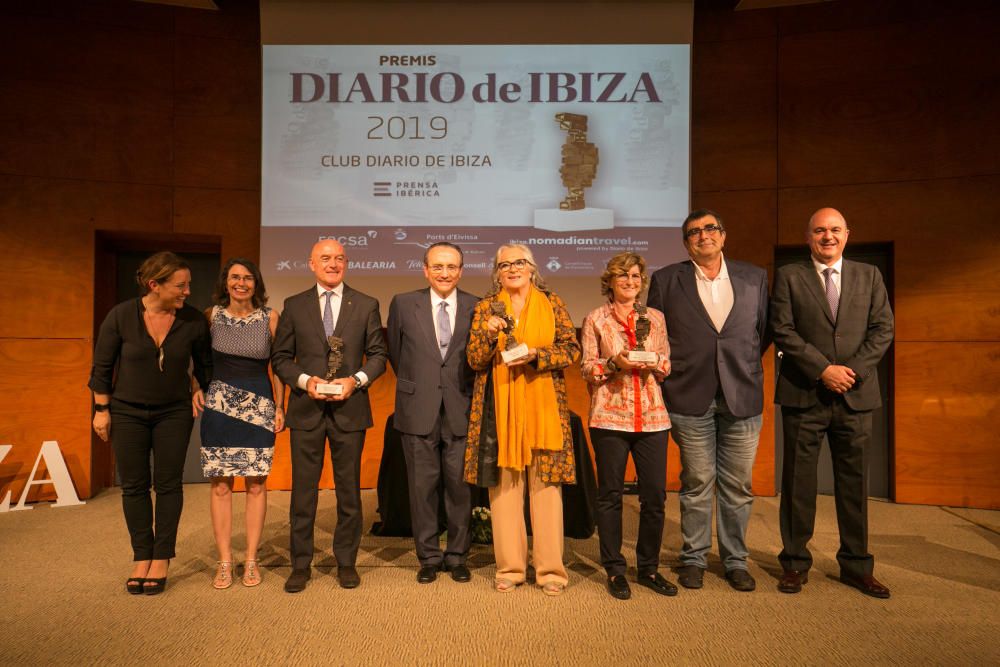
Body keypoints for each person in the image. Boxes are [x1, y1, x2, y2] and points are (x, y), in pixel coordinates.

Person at [771, 207, 894, 598]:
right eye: (820, 230)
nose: (828, 236)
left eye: (835, 230)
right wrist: (823, 369)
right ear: (808, 237)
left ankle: (857, 566)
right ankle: (793, 563)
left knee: (854, 485)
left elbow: (883, 328)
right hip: (804, 393)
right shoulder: (790, 276)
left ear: (847, 234)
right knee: (797, 483)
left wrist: (849, 371)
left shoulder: (869, 275)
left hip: (855, 396)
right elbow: (782, 330)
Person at [646, 209, 769, 593]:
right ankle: (694, 558)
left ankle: (735, 561)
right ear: (686, 243)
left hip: (741, 394)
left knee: (738, 485)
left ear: (723, 236)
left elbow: (761, 332)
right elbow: (655, 337)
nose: (703, 236)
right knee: (696, 482)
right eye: (694, 232)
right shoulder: (666, 280)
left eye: (710, 229)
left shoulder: (754, 278)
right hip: (688, 394)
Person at [89, 251, 212, 595]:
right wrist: (101, 409)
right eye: (180, 285)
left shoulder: (192, 321)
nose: (187, 291)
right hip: (127, 411)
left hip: (173, 412)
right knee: (134, 485)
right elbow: (101, 368)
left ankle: (162, 556)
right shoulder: (121, 316)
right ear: (154, 285)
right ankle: (141, 554)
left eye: (189, 284)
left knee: (169, 484)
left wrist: (200, 386)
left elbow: (204, 365)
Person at [271, 239, 387, 593]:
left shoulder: (366, 304)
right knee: (303, 493)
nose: (333, 264)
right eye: (325, 258)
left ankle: (346, 562)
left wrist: (357, 380)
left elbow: (378, 356)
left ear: (346, 263)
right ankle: (300, 565)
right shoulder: (294, 305)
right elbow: (280, 359)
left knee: (349, 493)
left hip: (350, 410)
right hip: (306, 410)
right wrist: (306, 382)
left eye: (339, 258)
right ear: (311, 264)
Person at [463, 244, 580, 595]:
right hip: (500, 409)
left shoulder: (552, 301)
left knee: (546, 493)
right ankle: (511, 570)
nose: (512, 269)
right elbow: (474, 359)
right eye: (504, 264)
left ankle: (550, 573)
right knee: (504, 493)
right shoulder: (486, 307)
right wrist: (487, 332)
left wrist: (535, 355)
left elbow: (571, 349)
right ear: (497, 272)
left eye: (519, 263)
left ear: (532, 268)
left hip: (544, 408)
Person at [581, 252, 675, 601]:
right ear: (611, 281)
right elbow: (587, 368)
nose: (630, 282)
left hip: (653, 418)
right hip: (609, 417)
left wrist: (654, 362)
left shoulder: (656, 318)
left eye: (635, 277)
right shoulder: (595, 319)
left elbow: (666, 362)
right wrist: (614, 363)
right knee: (610, 496)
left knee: (655, 497)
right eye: (623, 277)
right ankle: (615, 569)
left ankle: (648, 568)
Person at [386, 242, 479, 584]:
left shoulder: (477, 305)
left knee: (460, 488)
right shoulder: (402, 303)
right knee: (421, 487)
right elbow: (397, 353)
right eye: (438, 266)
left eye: (451, 267)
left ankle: (456, 556)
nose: (444, 273)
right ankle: (428, 557)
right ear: (425, 270)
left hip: (461, 407)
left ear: (461, 270)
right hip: (417, 407)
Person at [195, 258, 284, 589]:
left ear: (256, 283)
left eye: (248, 278)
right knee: (220, 485)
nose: (241, 283)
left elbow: (278, 366)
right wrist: (196, 389)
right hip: (218, 405)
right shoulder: (210, 316)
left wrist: (279, 407)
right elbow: (199, 360)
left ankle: (250, 560)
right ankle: (224, 562)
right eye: (235, 277)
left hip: (259, 404)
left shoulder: (270, 317)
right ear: (226, 282)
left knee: (256, 484)